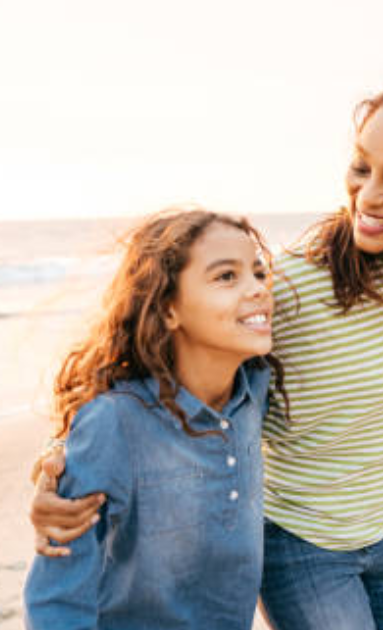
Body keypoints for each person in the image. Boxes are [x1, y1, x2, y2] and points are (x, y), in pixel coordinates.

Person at [28, 77, 383, 630]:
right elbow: (171, 365)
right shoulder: (296, 285)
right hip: (303, 543)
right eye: (361, 166)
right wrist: (61, 461)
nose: (368, 195)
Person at [22, 208, 283, 629]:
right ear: (167, 310)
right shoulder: (115, 422)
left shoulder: (253, 394)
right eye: (226, 277)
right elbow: (57, 596)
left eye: (258, 272)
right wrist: (55, 456)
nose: (258, 290)